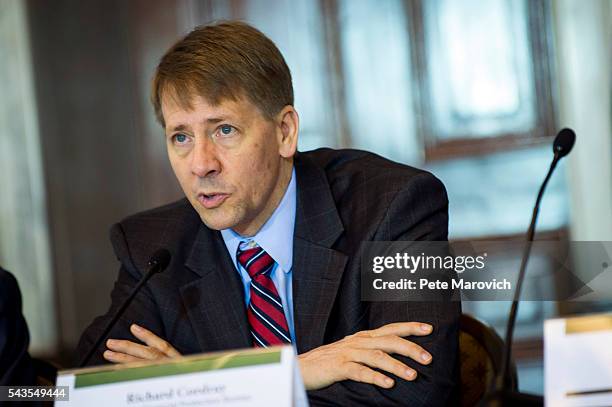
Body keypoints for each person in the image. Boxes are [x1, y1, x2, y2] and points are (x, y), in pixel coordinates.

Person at [77, 21, 460, 406]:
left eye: (224, 130)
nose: (200, 165)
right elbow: (83, 394)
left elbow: (418, 389)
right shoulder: (151, 247)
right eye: (181, 137)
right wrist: (291, 374)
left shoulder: (396, 205)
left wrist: (192, 389)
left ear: (284, 132)